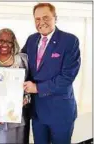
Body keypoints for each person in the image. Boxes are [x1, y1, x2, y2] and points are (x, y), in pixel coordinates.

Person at [21, 3, 81, 144]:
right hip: (37, 113)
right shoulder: (31, 40)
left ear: (55, 18)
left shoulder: (70, 41)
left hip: (60, 112)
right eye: (37, 19)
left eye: (46, 17)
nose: (41, 22)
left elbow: (67, 77)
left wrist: (37, 88)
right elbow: (21, 63)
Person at [0, 28, 31, 144]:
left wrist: (25, 99)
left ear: (13, 43)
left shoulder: (22, 60)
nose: (4, 44)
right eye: (0, 41)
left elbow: (29, 84)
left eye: (8, 41)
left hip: (16, 118)